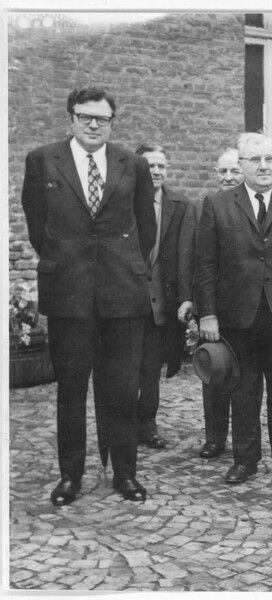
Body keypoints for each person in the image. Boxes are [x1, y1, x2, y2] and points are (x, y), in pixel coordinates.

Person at [21, 86, 157, 504]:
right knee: (71, 389)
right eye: (85, 117)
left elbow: (146, 228)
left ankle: (125, 474)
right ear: (71, 118)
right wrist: (67, 262)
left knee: (122, 390)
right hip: (69, 293)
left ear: (112, 122)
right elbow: (37, 225)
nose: (94, 125)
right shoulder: (43, 160)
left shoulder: (133, 164)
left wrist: (122, 266)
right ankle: (71, 476)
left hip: (122, 293)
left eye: (102, 118)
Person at [194, 132, 272, 485]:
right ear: (241, 165)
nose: (264, 166)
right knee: (243, 391)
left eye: (270, 159)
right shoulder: (218, 204)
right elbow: (205, 265)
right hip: (238, 317)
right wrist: (208, 314)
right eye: (255, 160)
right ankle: (245, 459)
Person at [134, 143, 195, 450]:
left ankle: (147, 424)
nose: (156, 171)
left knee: (151, 369)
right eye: (149, 166)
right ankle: (121, 425)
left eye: (161, 166)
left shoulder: (181, 206)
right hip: (129, 301)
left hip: (161, 303)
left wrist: (186, 297)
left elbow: (186, 255)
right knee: (123, 368)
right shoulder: (124, 202)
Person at [197, 147, 244, 459]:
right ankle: (215, 437)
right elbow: (199, 262)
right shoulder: (209, 206)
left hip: (248, 308)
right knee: (214, 371)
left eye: (234, 171)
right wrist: (204, 310)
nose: (228, 177)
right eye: (222, 171)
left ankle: (244, 439)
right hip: (216, 308)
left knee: (244, 376)